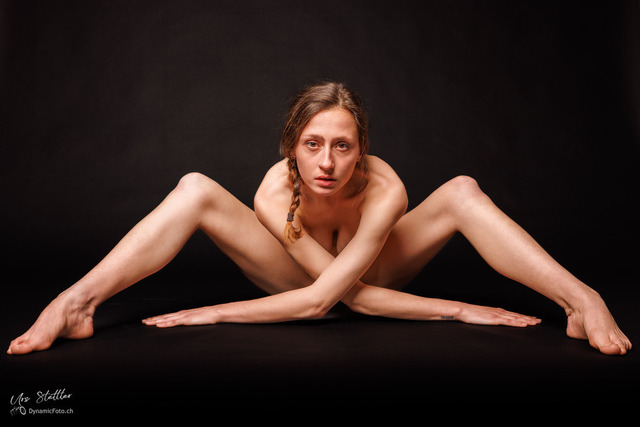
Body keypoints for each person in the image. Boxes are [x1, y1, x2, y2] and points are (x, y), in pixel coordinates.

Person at [7, 81, 631, 356]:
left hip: (375, 276)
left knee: (463, 190)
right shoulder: (272, 194)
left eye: (342, 146)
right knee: (194, 187)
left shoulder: (386, 189)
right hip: (299, 282)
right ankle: (76, 304)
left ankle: (581, 301)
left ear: (361, 151)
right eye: (312, 145)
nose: (327, 163)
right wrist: (458, 309)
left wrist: (216, 313)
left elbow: (344, 296)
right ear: (291, 149)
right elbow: (322, 299)